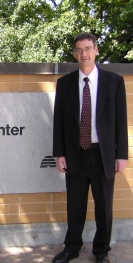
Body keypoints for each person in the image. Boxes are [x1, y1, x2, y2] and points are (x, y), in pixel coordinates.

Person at [52, 32, 128, 263]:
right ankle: (72, 247)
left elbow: (120, 121)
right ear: (74, 54)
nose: (83, 53)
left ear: (96, 50)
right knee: (75, 205)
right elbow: (60, 122)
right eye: (78, 49)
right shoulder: (64, 84)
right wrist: (59, 153)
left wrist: (122, 155)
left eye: (87, 48)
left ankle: (101, 251)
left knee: (104, 208)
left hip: (103, 155)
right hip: (75, 154)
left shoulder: (114, 82)